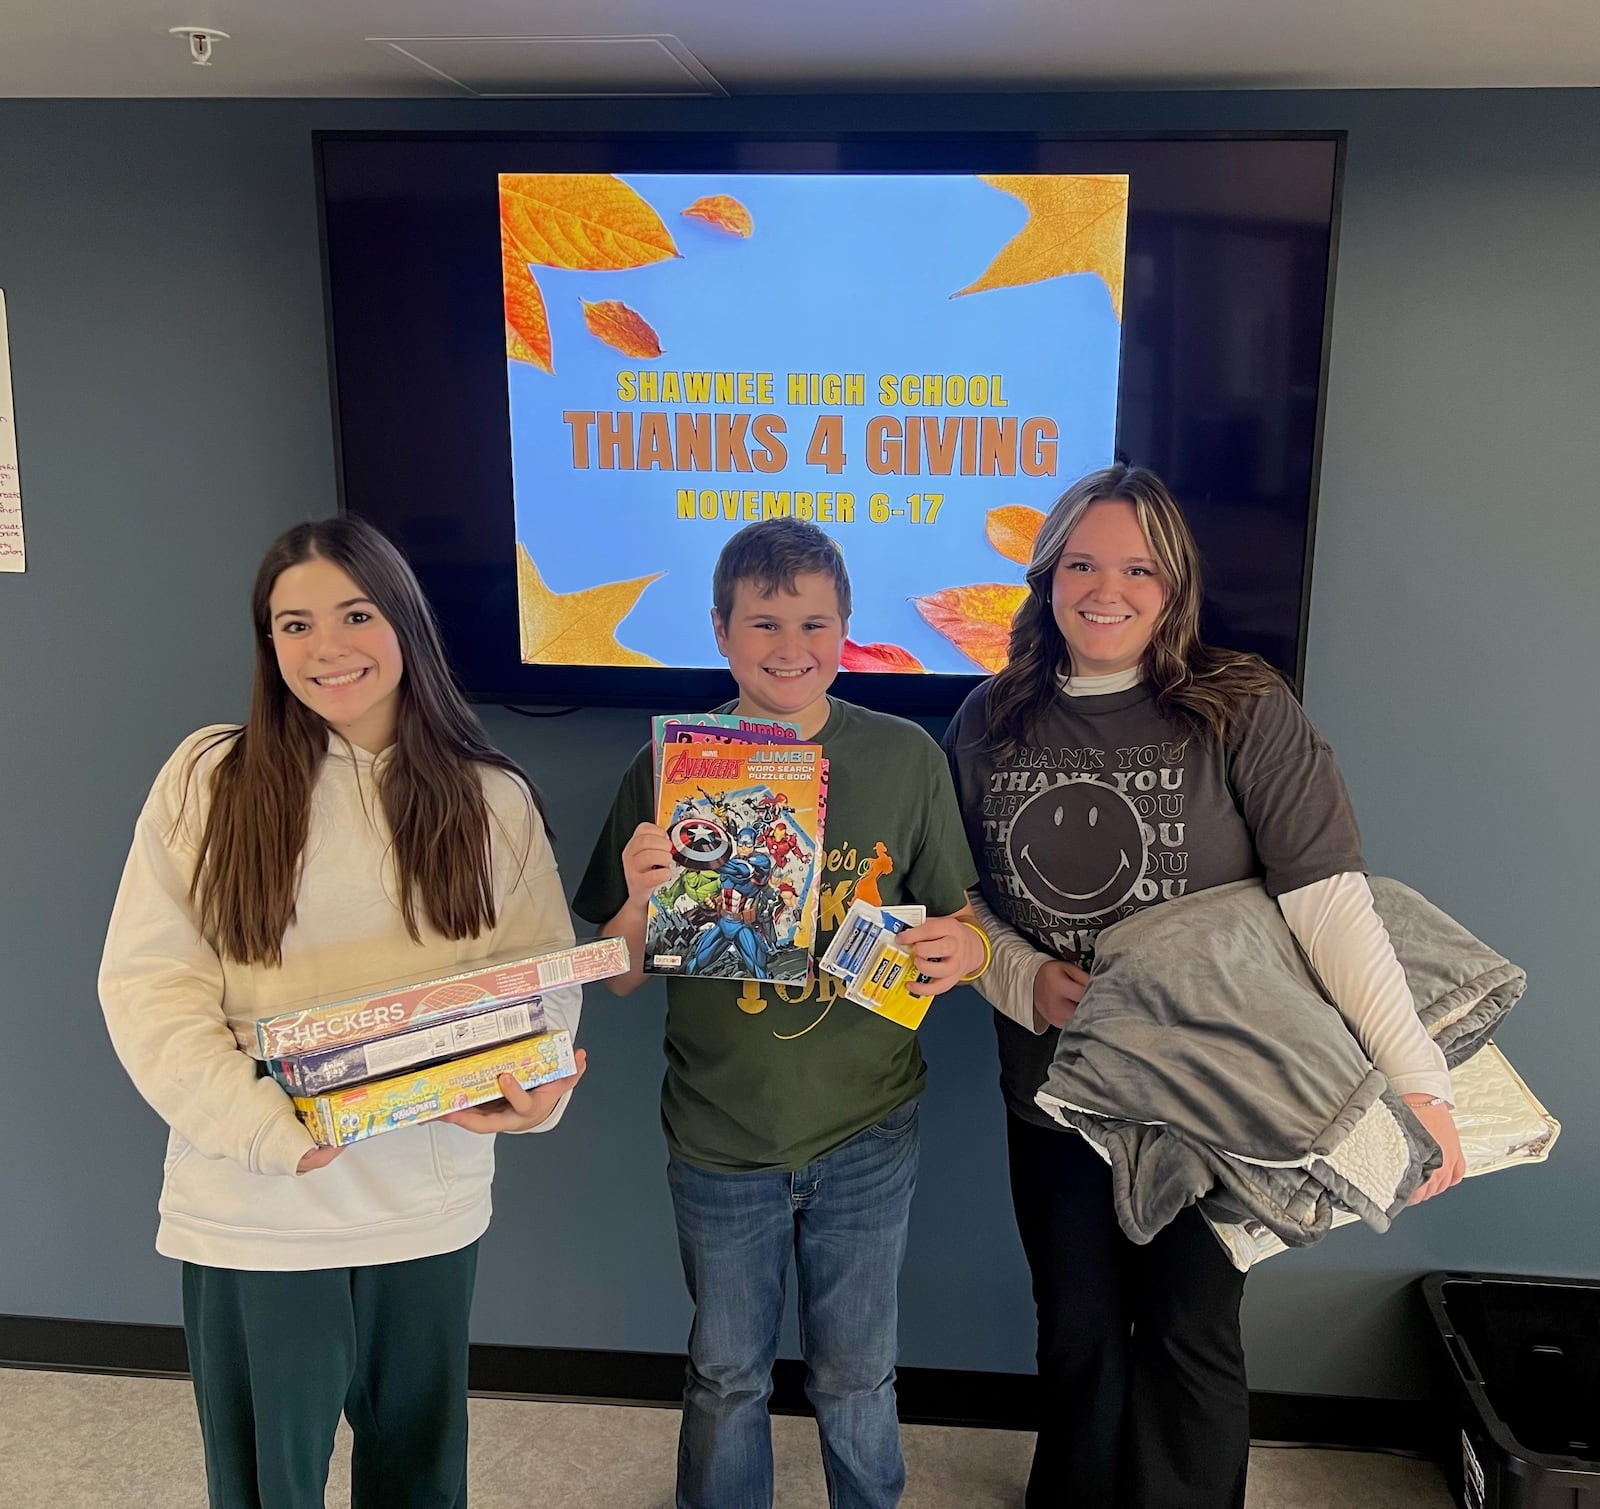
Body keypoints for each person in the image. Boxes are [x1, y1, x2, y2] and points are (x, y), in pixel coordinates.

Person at [941, 465, 1466, 1509]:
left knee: (1189, 1333)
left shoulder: (1242, 705)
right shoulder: (990, 718)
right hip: (1056, 1097)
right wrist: (1024, 981)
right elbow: (959, 908)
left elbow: (1330, 907)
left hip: (1215, 1101)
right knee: (1078, 1335)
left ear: (1173, 586)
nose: (1108, 589)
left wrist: (1422, 1086)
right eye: (1081, 563)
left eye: (1138, 568)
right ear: (1045, 579)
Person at [99, 517, 585, 1509]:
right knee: (267, 1485)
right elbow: (151, 985)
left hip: (426, 1203)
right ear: (267, 645)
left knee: (419, 1475)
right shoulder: (210, 780)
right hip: (256, 1209)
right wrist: (261, 1129)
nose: (328, 647)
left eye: (355, 614)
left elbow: (539, 982)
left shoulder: (489, 799)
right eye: (294, 624)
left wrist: (532, 1088)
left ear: (403, 621)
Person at [572, 517, 986, 1509]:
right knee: (726, 1378)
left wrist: (961, 950)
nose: (790, 647)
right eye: (763, 624)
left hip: (867, 1129)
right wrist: (637, 901)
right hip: (720, 1137)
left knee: (856, 1378)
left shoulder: (904, 759)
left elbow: (964, 923)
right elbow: (618, 975)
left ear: (845, 629)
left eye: (813, 622)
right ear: (720, 632)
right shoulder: (672, 771)